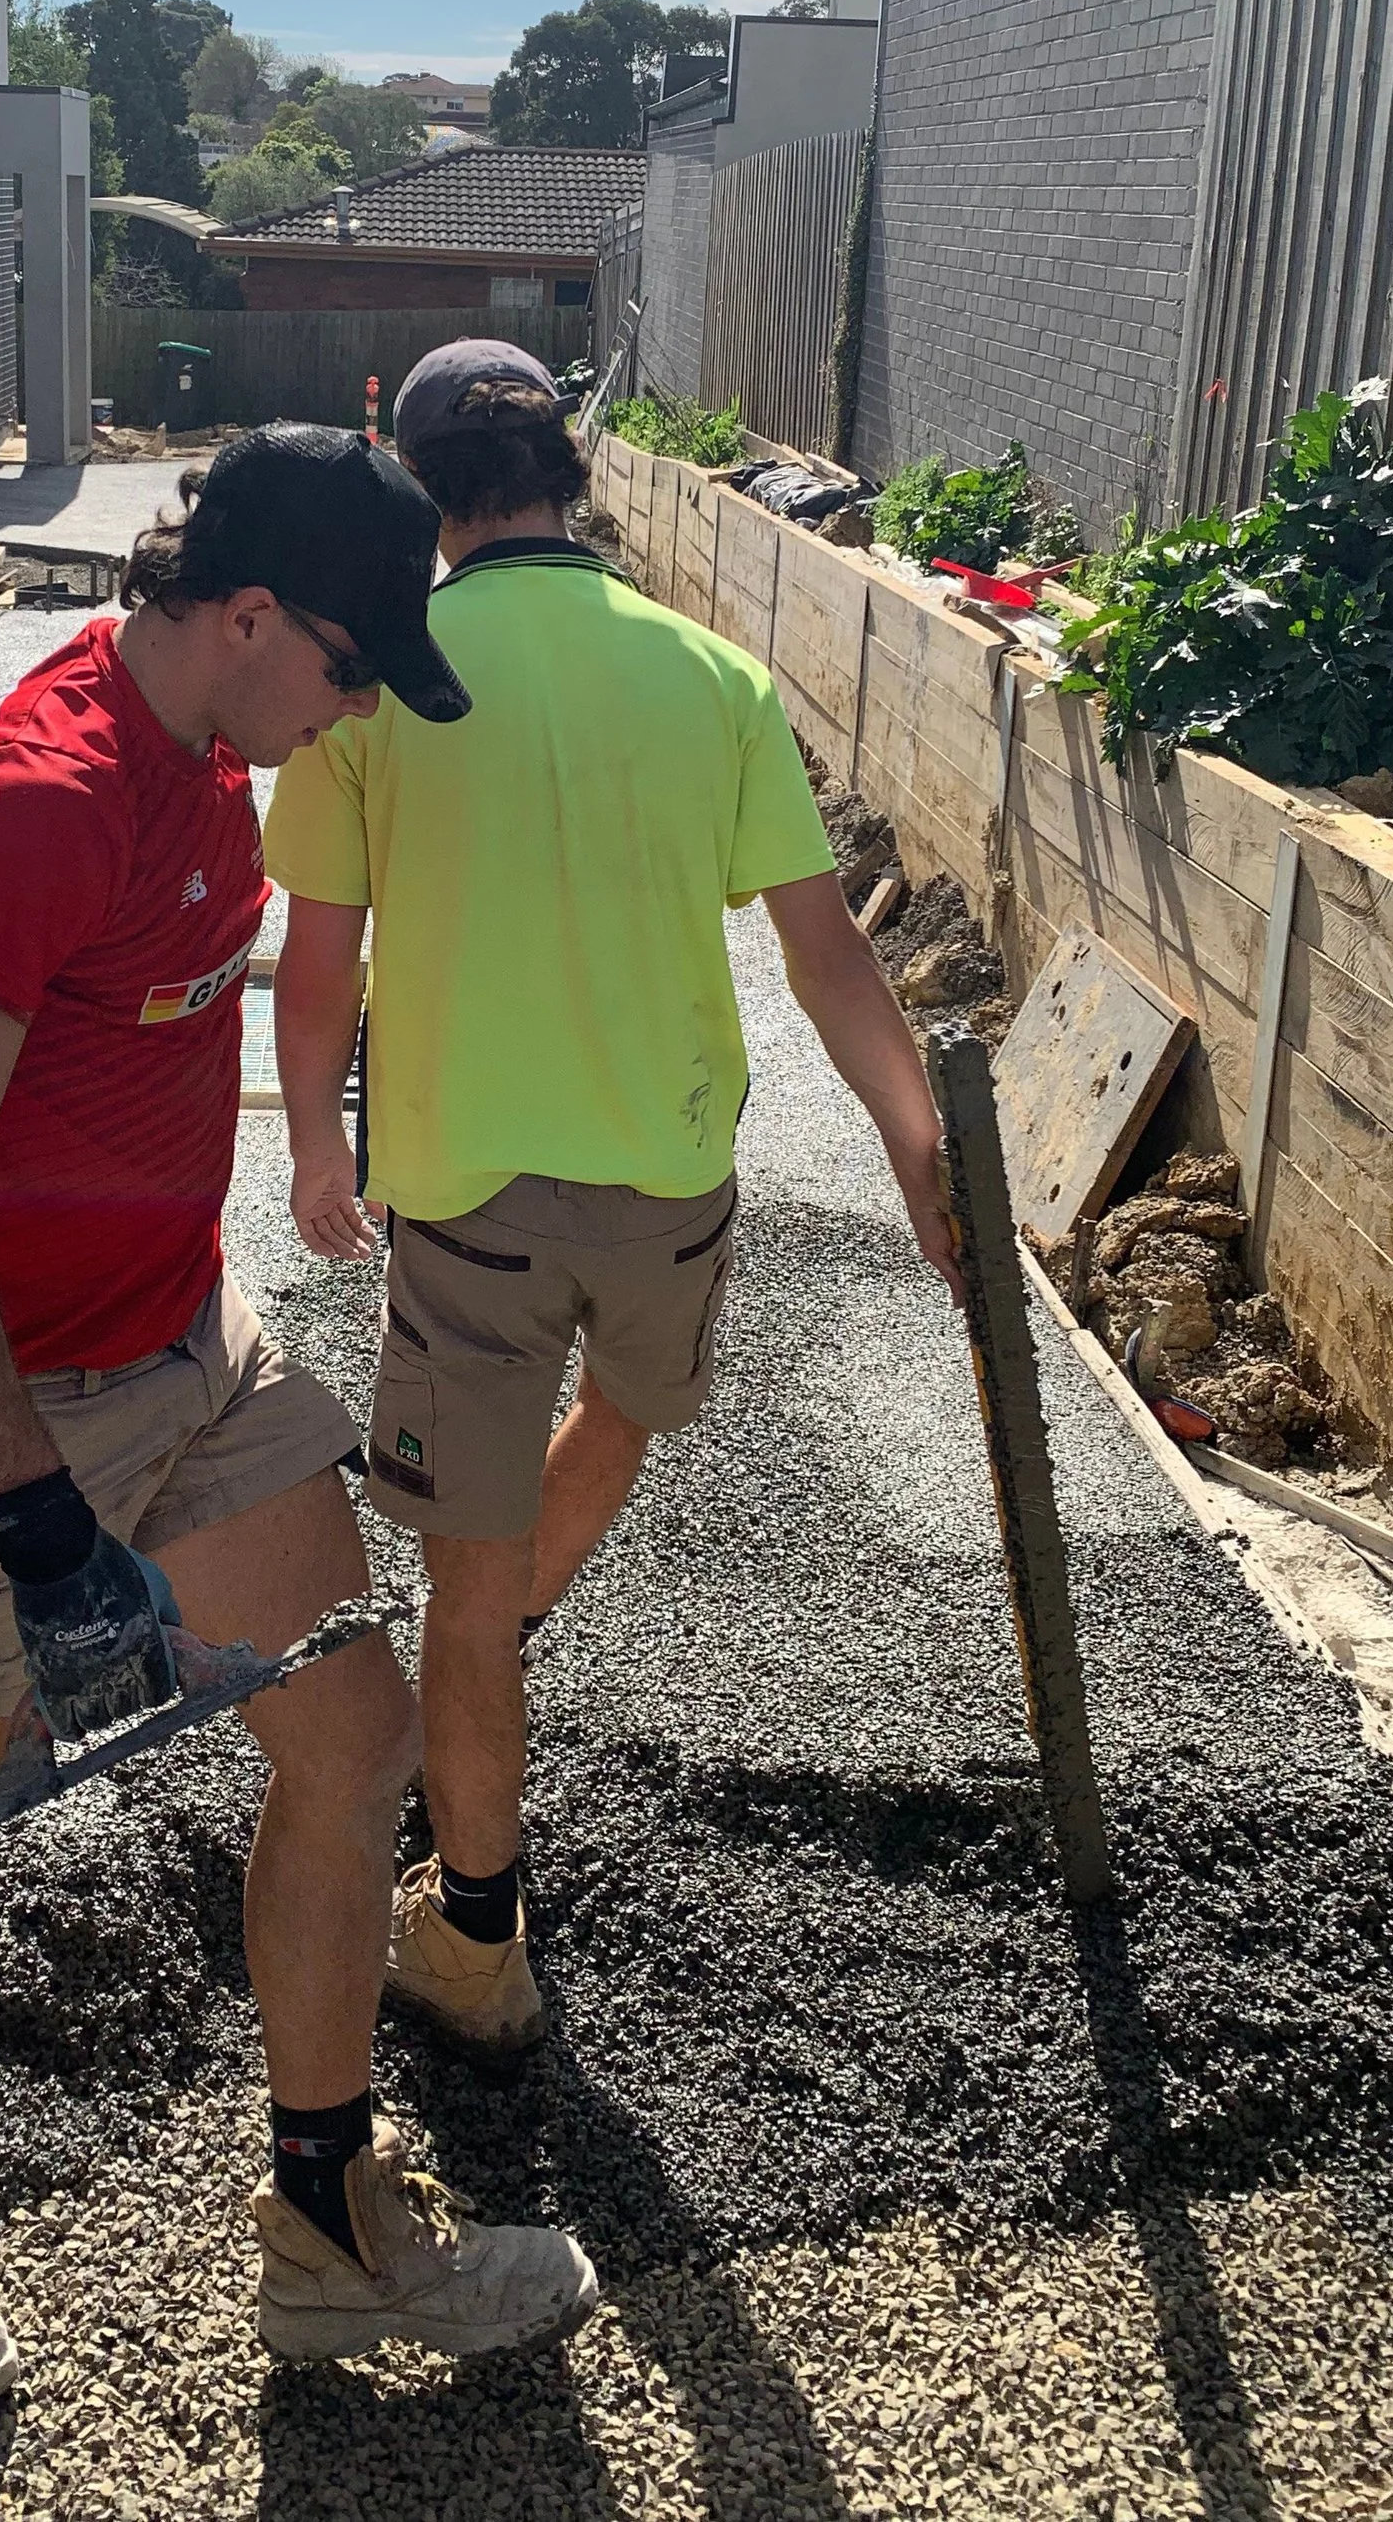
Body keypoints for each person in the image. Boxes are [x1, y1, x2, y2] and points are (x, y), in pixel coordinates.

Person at [0, 426, 599, 2415]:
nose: (363, 701)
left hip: (184, 1353)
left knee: (351, 1727)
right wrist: (42, 1532)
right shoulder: (29, 809)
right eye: (351, 661)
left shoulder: (222, 752)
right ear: (239, 618)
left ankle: (317, 2219)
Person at [267, 344, 961, 2064]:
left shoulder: (381, 692)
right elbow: (824, 949)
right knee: (628, 1414)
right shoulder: (710, 677)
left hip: (474, 1207)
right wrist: (916, 1142)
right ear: (571, 470)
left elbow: (319, 961)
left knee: (464, 1580)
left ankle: (478, 1937)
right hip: (673, 1193)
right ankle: (493, 1651)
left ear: (425, 491)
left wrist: (310, 1149)